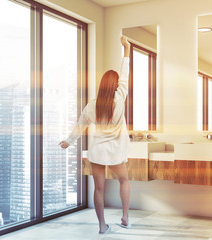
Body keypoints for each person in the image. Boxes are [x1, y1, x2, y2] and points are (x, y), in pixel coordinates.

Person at [59, 36, 131, 234]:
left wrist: (68, 141)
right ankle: (125, 217)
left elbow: (80, 125)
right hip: (115, 152)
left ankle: (102, 227)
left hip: (97, 152)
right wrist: (127, 48)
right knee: (124, 181)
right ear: (115, 85)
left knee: (98, 189)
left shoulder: (92, 105)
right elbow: (125, 74)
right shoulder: (120, 99)